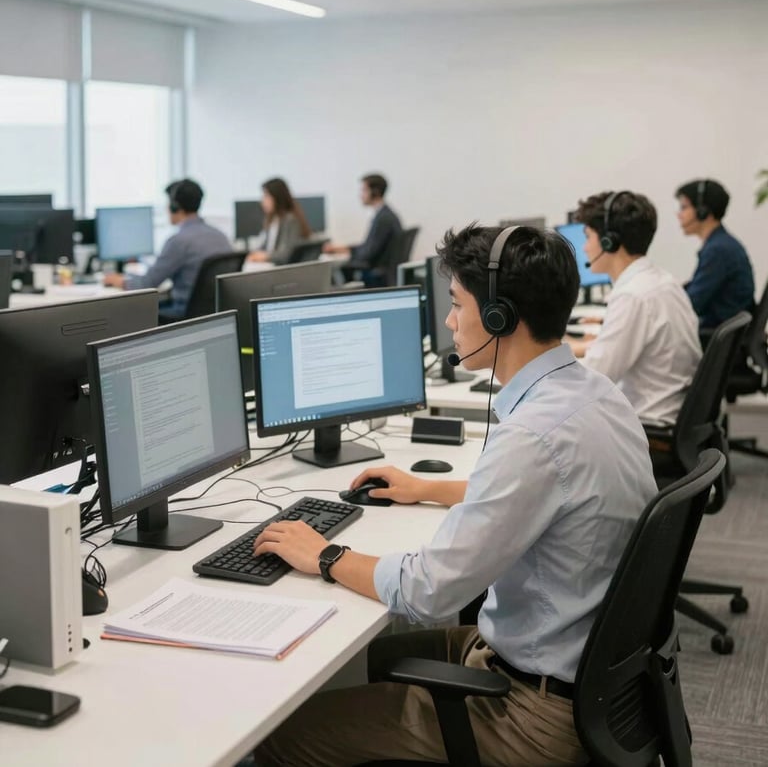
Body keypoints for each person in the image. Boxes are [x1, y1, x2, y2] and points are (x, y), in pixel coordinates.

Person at [252, 223, 657, 767]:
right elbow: (552, 495)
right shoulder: (595, 394)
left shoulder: (532, 437)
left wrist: (324, 554)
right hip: (592, 683)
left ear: (499, 318)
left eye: (456, 304)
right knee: (365, 657)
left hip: (533, 716)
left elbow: (428, 593)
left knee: (284, 732)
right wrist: (427, 488)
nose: (449, 322)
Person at [565, 191, 701, 427]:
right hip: (672, 413)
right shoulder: (661, 280)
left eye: (588, 237)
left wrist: (537, 361)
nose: (585, 248)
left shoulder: (633, 296)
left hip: (648, 425)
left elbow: (594, 378)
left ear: (609, 241)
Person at [103, 178, 231, 319]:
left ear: (174, 207)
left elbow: (147, 284)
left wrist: (118, 280)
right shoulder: (221, 236)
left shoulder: (178, 241)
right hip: (213, 315)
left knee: (128, 315)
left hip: (183, 316)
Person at [676, 178, 755, 330]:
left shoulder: (718, 251)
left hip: (713, 337)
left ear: (703, 211)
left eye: (684, 207)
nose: (679, 215)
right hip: (726, 337)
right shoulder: (722, 244)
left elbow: (692, 304)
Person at [323, 173, 402, 284]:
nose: (360, 195)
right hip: (385, 273)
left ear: (375, 192)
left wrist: (342, 260)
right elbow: (368, 247)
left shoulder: (382, 219)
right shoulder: (385, 214)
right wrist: (339, 249)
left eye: (364, 190)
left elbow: (366, 255)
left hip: (377, 277)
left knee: (333, 273)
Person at [246, 177, 311, 265]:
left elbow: (285, 255)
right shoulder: (273, 220)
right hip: (270, 266)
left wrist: (265, 256)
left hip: (280, 269)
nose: (263, 201)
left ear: (277, 197)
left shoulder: (290, 220)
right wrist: (253, 254)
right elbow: (264, 247)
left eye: (266, 196)